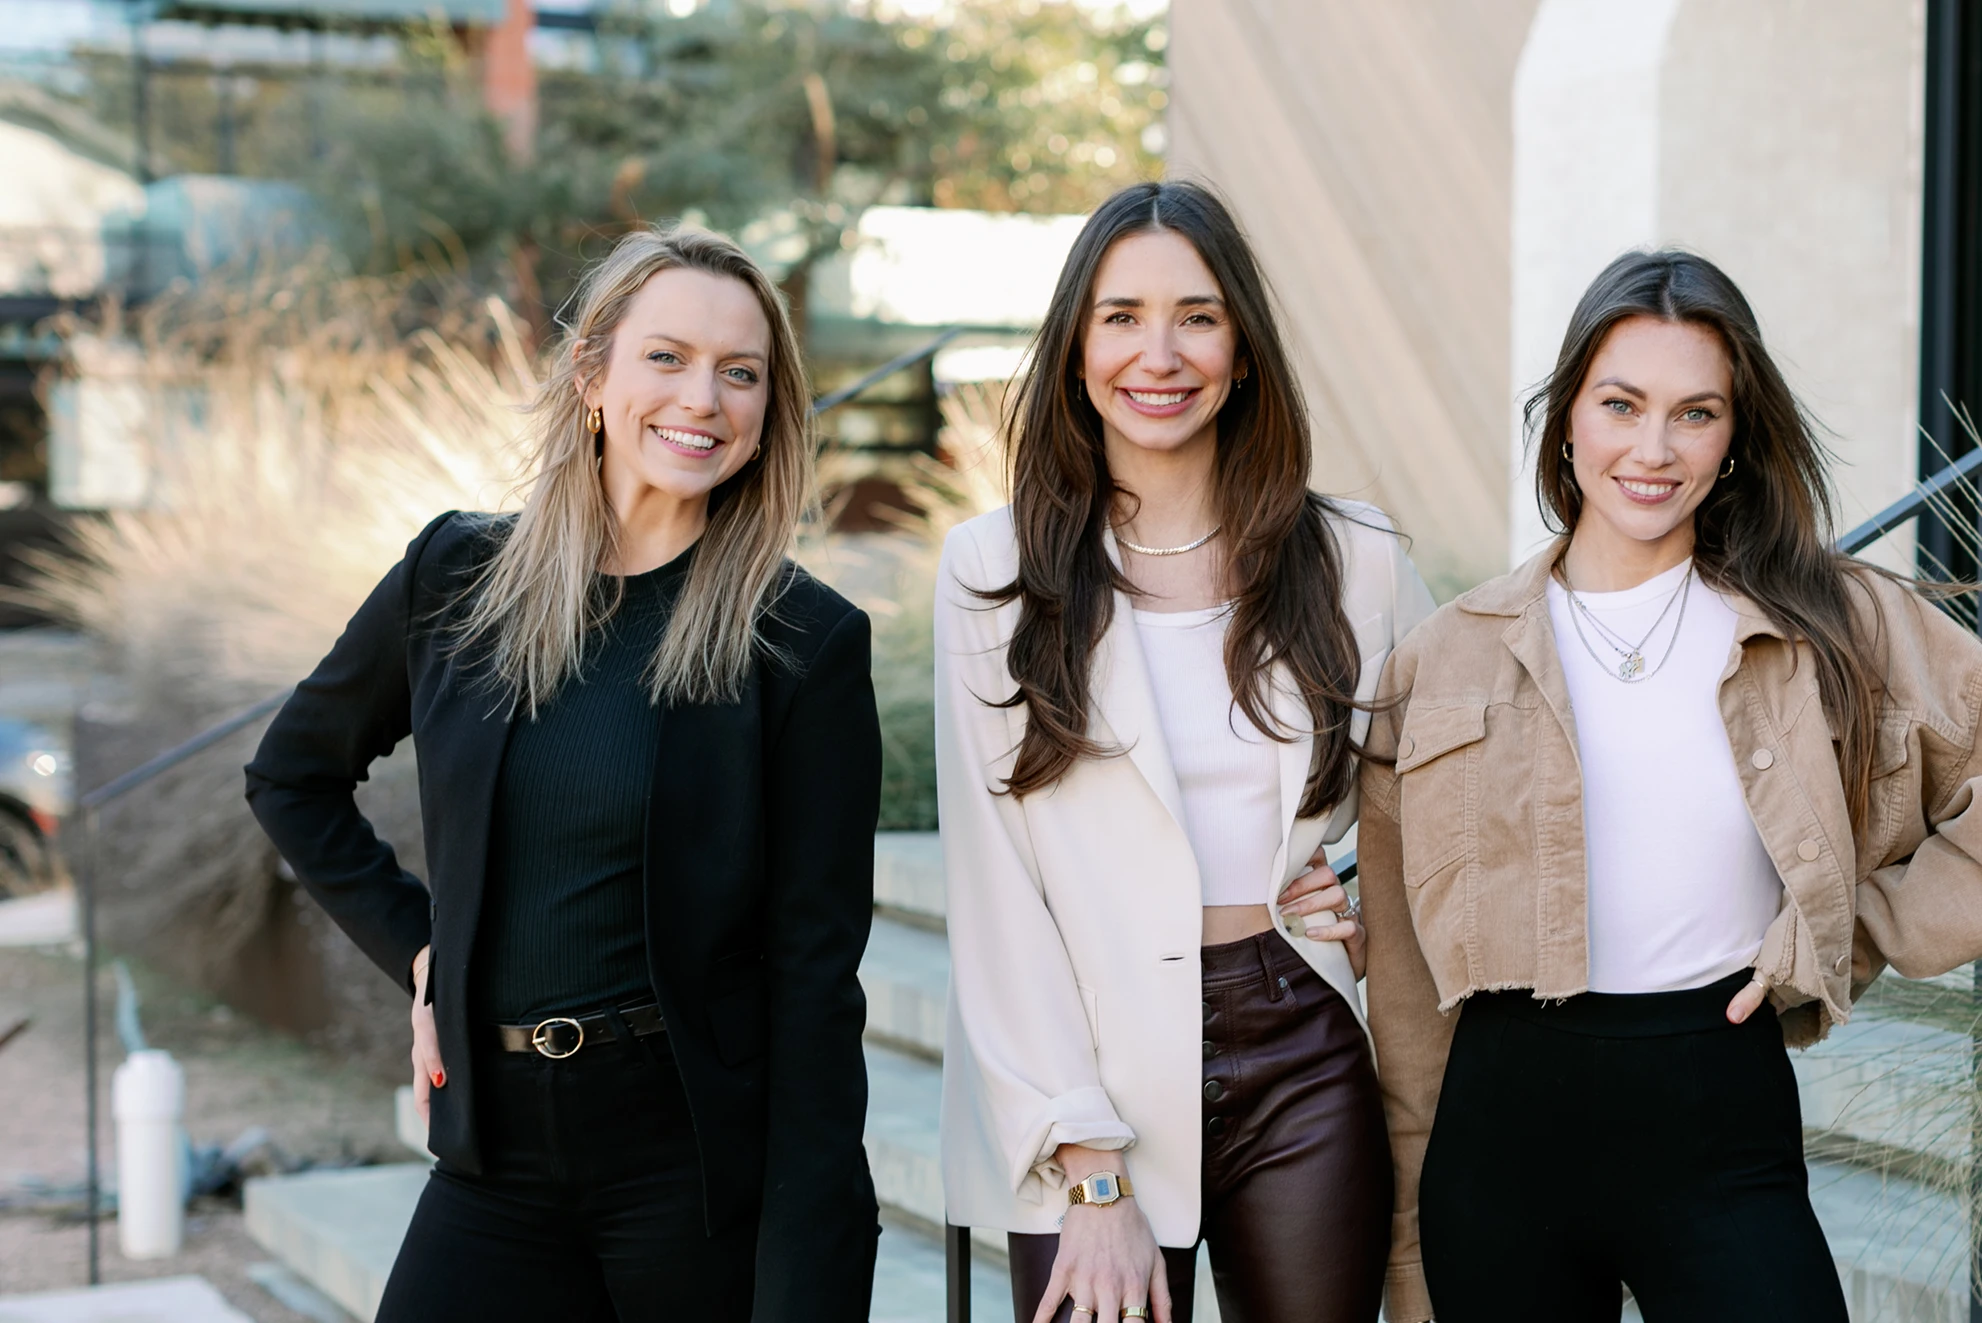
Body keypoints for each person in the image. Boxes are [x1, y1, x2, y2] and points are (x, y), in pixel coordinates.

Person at [244, 225, 881, 1322]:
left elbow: (815, 979)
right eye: (667, 357)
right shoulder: (456, 575)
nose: (703, 398)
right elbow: (293, 776)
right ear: (593, 373)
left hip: (687, 1165)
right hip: (495, 1156)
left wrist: (810, 1264)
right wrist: (424, 957)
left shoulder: (801, 641)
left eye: (741, 373)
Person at [1360, 248, 1982, 1323]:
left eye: (1693, 413)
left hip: (1715, 1109)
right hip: (1498, 1139)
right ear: (1565, 419)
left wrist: (1853, 927)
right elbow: (1407, 994)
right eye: (1619, 405)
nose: (1651, 449)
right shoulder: (1441, 658)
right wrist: (1409, 1248)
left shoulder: (1830, 623)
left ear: (1734, 433)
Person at [937, 180, 1436, 1323]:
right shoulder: (991, 570)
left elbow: (1449, 782)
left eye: (1197, 316)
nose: (1156, 353)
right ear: (1072, 350)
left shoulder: (1351, 557)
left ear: (1243, 350)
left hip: (1298, 1047)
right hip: (1088, 1068)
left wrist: (1361, 901)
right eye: (1119, 317)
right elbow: (995, 890)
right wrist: (1088, 1164)